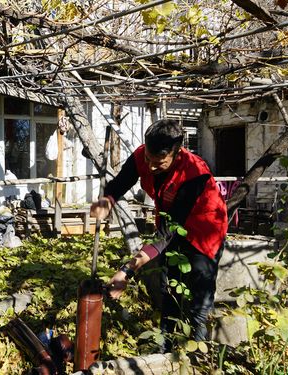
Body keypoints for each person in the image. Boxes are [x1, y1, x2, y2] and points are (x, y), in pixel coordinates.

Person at [90, 119, 228, 351]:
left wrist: (126, 272)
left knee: (199, 301)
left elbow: (167, 233)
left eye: (159, 162)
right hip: (171, 225)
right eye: (148, 160)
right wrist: (107, 199)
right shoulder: (143, 155)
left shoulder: (195, 173)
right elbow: (120, 183)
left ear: (177, 152)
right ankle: (165, 347)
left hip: (205, 232)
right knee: (170, 289)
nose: (151, 166)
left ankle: (199, 353)